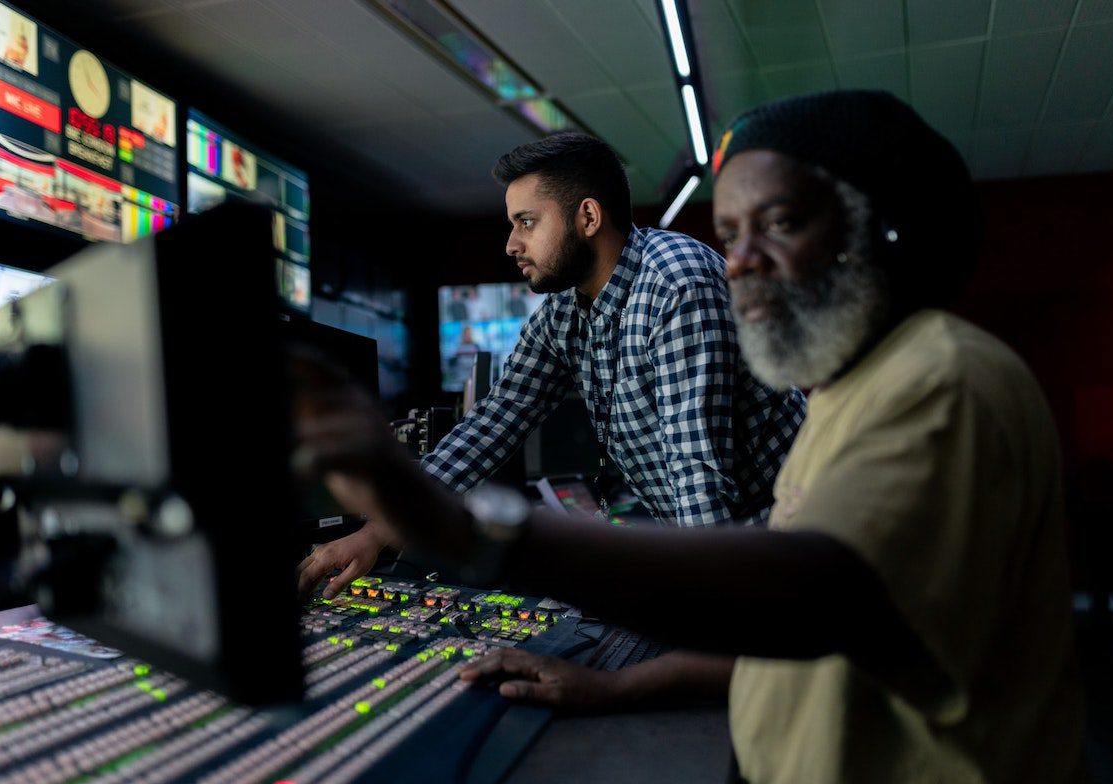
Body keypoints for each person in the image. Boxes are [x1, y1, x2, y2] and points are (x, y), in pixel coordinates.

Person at [294, 90, 1088, 784]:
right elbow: (499, 420)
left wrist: (478, 535)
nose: (736, 261)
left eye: (776, 225)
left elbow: (792, 579)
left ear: (880, 228)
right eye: (730, 230)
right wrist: (382, 528)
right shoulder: (851, 390)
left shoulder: (939, 380)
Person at [297, 131, 805, 599]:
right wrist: (377, 532)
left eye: (527, 222)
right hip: (717, 552)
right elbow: (495, 421)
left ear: (587, 217)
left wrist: (708, 626)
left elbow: (699, 478)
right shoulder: (566, 310)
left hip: (779, 546)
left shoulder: (675, 285)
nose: (511, 244)